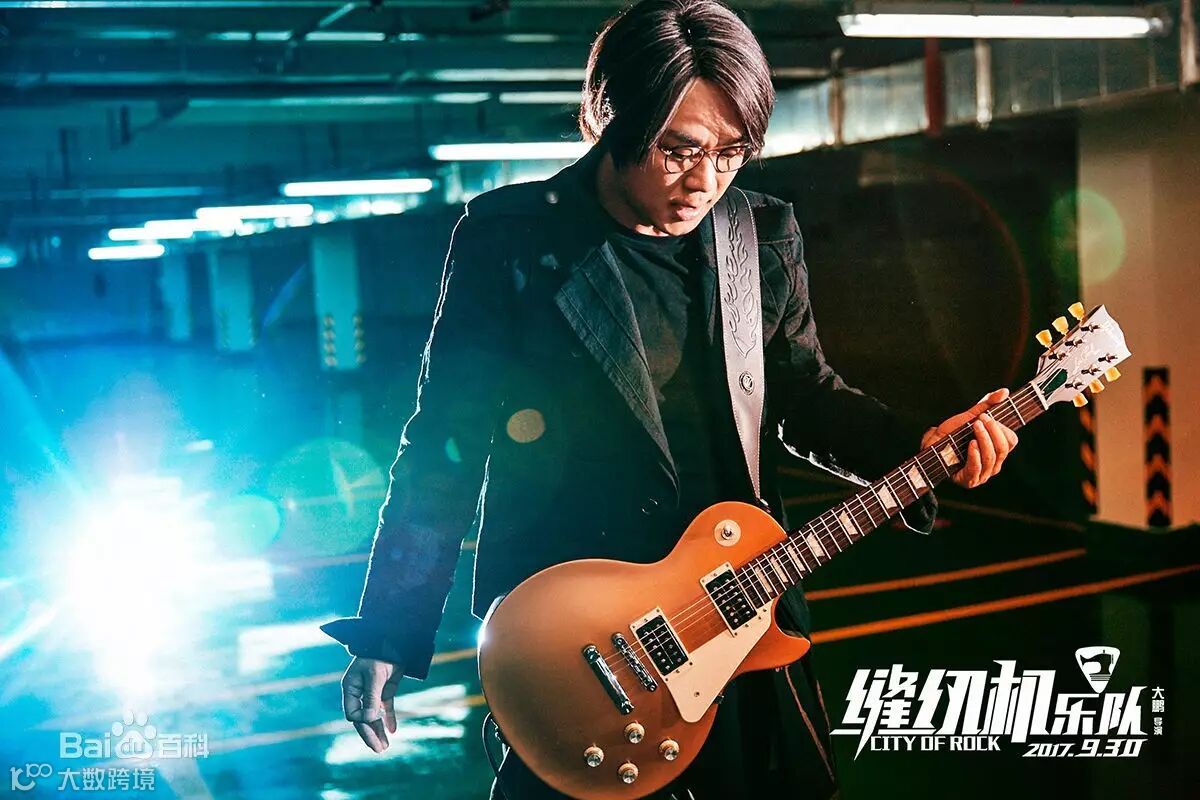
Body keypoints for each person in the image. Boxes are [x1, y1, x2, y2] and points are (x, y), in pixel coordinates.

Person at [321, 1, 1018, 797]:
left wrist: (917, 449)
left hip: (737, 613)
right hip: (582, 649)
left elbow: (804, 396)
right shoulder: (509, 239)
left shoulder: (760, 234)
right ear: (610, 116)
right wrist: (388, 628)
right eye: (678, 150)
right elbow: (444, 445)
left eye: (730, 153)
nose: (705, 182)